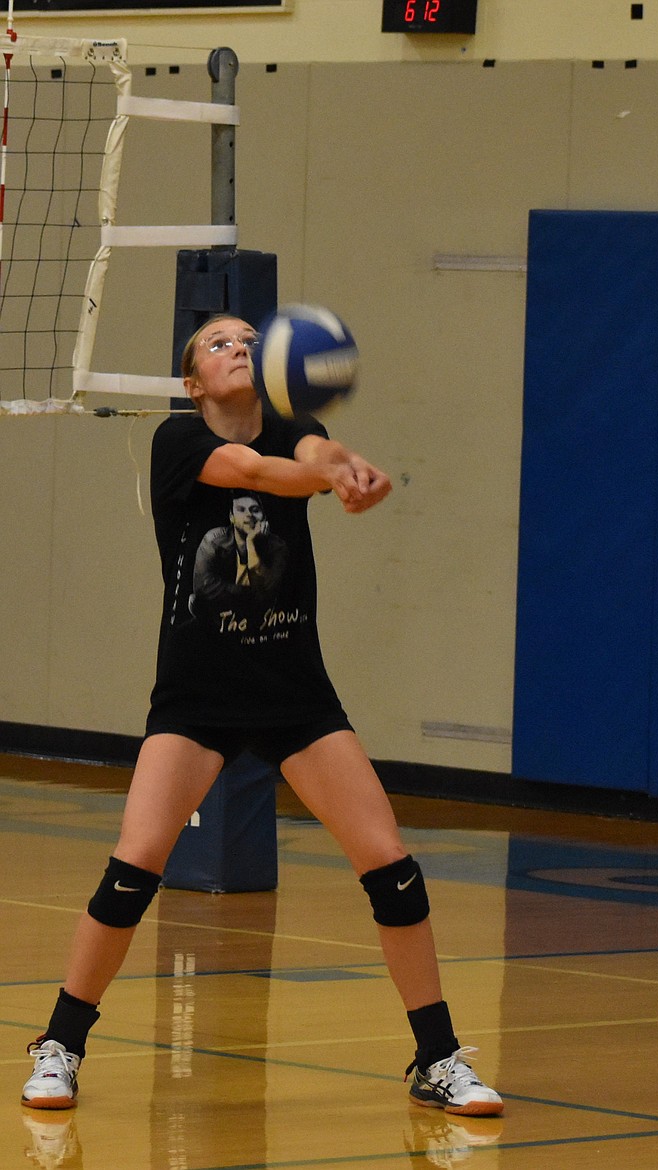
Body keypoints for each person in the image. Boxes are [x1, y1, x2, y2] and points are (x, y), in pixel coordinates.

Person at [21, 315, 503, 1117]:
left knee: (392, 867)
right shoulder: (177, 444)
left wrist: (348, 468)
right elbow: (261, 472)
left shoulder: (296, 428)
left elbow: (310, 453)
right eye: (217, 343)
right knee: (134, 867)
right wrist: (325, 476)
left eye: (247, 337)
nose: (237, 346)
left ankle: (439, 1056)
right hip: (196, 695)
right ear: (192, 383)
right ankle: (61, 1044)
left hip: (294, 693)